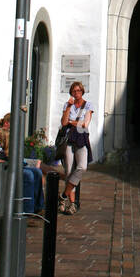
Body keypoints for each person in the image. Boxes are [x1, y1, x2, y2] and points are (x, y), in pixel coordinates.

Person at [60, 82, 92, 215]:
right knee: (68, 171)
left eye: (78, 90)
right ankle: (72, 204)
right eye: (74, 91)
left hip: (81, 139)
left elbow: (85, 124)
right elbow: (63, 122)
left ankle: (62, 196)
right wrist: (68, 107)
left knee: (82, 167)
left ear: (82, 91)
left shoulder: (88, 105)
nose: (76, 93)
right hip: (68, 140)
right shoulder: (68, 105)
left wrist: (71, 122)